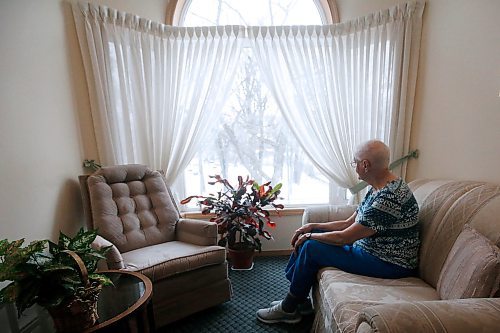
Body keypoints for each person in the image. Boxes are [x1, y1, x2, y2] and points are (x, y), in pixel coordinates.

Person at [256, 140, 420, 324]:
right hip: (373, 251)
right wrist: (312, 227)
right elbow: (349, 223)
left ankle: (289, 307)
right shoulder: (377, 188)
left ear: (365, 165)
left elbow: (345, 237)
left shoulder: (389, 197)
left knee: (311, 247)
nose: (354, 166)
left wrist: (310, 236)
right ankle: (299, 300)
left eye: (355, 162)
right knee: (312, 236)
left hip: (390, 263)